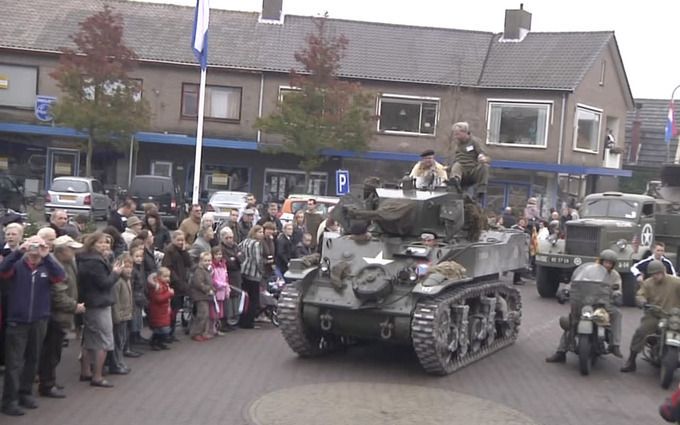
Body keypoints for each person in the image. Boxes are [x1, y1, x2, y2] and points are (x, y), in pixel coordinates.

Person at [0, 236, 64, 416]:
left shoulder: (46, 266)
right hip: (17, 320)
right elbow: (2, 271)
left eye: (39, 246)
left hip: (39, 319)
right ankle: (9, 400)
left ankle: (25, 393)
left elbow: (60, 276)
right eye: (33, 246)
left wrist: (47, 255)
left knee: (33, 358)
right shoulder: (17, 265)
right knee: (14, 363)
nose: (35, 250)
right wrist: (18, 252)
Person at [545, 250, 624, 363]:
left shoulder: (614, 275)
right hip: (585, 302)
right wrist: (566, 291)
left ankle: (615, 345)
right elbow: (576, 281)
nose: (607, 265)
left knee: (617, 313)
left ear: (613, 265)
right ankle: (561, 352)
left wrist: (617, 295)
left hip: (603, 305)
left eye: (610, 263)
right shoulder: (590, 270)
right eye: (605, 262)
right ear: (601, 261)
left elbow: (618, 288)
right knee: (572, 322)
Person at [38, 235, 85, 399]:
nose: (74, 252)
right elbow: (57, 295)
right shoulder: (57, 267)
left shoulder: (68, 263)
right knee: (51, 351)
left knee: (54, 350)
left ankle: (49, 380)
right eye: (70, 249)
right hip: (56, 315)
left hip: (62, 314)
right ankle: (47, 384)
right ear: (61, 250)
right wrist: (74, 306)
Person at [77, 232, 122, 388]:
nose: (104, 245)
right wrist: (116, 273)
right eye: (101, 243)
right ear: (92, 244)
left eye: (107, 243)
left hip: (89, 302)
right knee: (104, 340)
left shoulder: (85, 258)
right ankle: (97, 375)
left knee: (89, 338)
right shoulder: (95, 262)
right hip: (98, 303)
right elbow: (104, 283)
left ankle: (85, 371)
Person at [621, 260, 680, 373]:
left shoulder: (676, 282)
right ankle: (631, 360)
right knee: (641, 332)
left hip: (674, 316)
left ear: (663, 271)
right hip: (655, 314)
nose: (656, 276)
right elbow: (640, 294)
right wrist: (642, 301)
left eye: (658, 273)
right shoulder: (648, 283)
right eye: (653, 274)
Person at [447, 122, 490, 203]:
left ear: (464, 132)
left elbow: (485, 155)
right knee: (457, 165)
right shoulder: (456, 144)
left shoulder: (474, 141)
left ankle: (481, 190)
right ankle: (455, 181)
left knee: (484, 167)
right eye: (455, 134)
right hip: (461, 171)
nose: (456, 136)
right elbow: (454, 158)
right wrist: (448, 167)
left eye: (457, 134)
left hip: (472, 170)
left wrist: (483, 158)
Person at [161, 231, 192, 340]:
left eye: (182, 240)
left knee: (177, 309)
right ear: (173, 239)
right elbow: (168, 267)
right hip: (174, 284)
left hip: (181, 284)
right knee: (172, 310)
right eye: (178, 240)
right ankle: (168, 332)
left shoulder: (182, 250)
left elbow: (189, 263)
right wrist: (177, 281)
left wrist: (184, 251)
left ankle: (172, 331)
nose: (180, 242)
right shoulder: (169, 251)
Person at [108, 253, 134, 375]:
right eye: (126, 266)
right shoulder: (118, 282)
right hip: (119, 316)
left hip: (126, 315)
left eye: (130, 266)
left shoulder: (127, 280)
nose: (129, 269)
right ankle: (115, 364)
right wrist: (117, 316)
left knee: (121, 340)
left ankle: (119, 362)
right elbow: (115, 301)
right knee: (117, 340)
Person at [239, 225, 264, 329]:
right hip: (253, 273)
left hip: (244, 270)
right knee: (254, 299)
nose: (262, 234)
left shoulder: (245, 241)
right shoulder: (257, 244)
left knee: (245, 298)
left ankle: (242, 320)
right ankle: (249, 322)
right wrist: (262, 271)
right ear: (254, 233)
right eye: (260, 232)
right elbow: (258, 260)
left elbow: (239, 250)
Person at [189, 252, 215, 341]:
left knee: (205, 314)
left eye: (209, 260)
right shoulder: (199, 271)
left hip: (205, 295)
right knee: (202, 314)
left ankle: (203, 332)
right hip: (200, 296)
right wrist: (208, 289)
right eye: (205, 260)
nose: (208, 262)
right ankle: (196, 333)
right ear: (201, 261)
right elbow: (199, 284)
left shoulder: (206, 270)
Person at [147, 268, 174, 351]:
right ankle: (154, 341)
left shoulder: (165, 285)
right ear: (159, 276)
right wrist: (169, 293)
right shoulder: (157, 286)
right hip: (157, 310)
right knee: (161, 329)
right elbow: (158, 299)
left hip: (163, 310)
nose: (167, 278)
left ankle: (159, 342)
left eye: (168, 276)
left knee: (163, 328)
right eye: (165, 276)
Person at [128, 246, 148, 348]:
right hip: (135, 297)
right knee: (134, 318)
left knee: (138, 317)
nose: (139, 258)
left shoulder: (140, 267)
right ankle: (133, 338)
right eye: (136, 256)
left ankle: (137, 335)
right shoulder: (133, 270)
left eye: (140, 256)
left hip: (139, 295)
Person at [210, 246, 229, 336]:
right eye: (216, 254)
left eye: (220, 254)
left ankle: (216, 329)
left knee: (220, 310)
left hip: (222, 291)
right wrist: (218, 285)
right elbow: (211, 279)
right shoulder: (212, 266)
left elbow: (226, 277)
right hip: (215, 291)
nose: (219, 256)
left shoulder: (223, 265)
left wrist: (227, 287)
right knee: (214, 310)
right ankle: (212, 328)